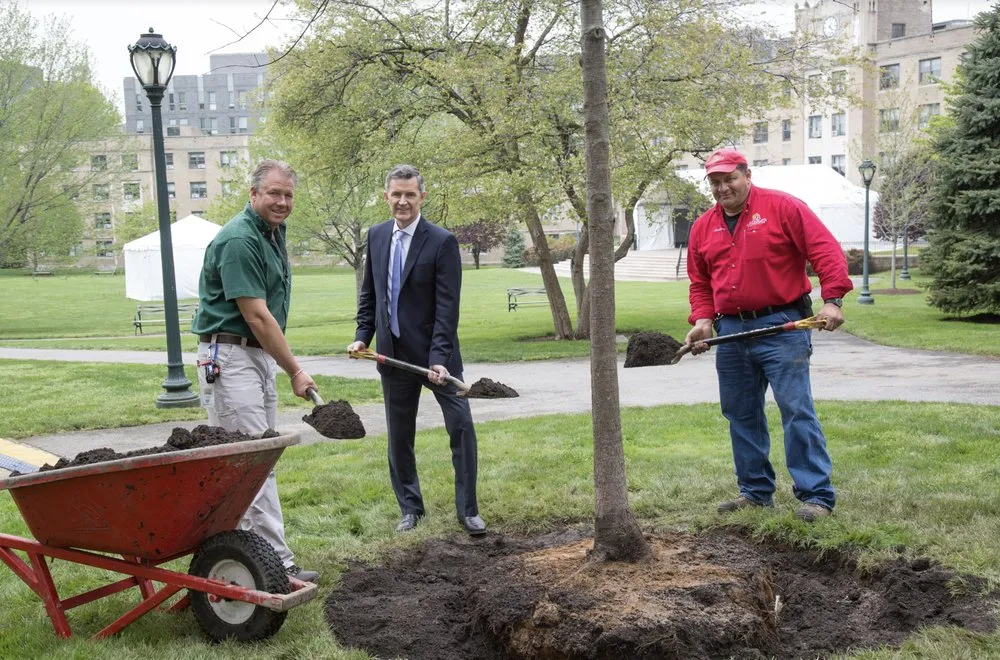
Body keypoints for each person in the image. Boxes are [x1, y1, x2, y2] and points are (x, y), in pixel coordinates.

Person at [684, 148, 853, 522]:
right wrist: (702, 320)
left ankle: (816, 496)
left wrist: (833, 299)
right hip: (730, 331)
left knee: (796, 409)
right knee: (741, 413)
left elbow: (825, 250)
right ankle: (756, 492)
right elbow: (700, 283)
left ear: (747, 175)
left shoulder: (783, 208)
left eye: (730, 178)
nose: (723, 187)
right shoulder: (702, 227)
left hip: (782, 326)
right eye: (715, 181)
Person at [191, 159, 319, 582]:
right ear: (253, 195)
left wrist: (276, 363)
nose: (282, 202)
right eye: (274, 193)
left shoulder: (272, 233)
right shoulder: (239, 240)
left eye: (288, 195)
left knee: (259, 461)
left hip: (254, 356)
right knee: (250, 463)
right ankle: (275, 564)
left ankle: (257, 556)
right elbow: (258, 316)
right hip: (229, 359)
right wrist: (296, 371)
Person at [347, 164, 485, 536]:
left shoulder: (441, 241)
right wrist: (363, 335)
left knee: (462, 428)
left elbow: (447, 308)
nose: (403, 201)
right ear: (387, 196)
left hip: (437, 357)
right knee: (399, 436)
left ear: (422, 197)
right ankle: (410, 509)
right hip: (393, 357)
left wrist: (439, 359)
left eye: (410, 194)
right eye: (397, 194)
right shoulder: (375, 236)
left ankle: (468, 510)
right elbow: (370, 295)